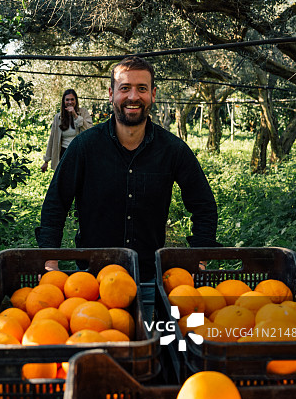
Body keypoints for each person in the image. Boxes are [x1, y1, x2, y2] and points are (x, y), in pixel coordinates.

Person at [36, 55, 219, 280]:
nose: (133, 96)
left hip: (149, 277)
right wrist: (50, 261)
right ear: (111, 94)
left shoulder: (172, 150)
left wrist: (199, 261)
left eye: (142, 88)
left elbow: (204, 206)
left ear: (153, 94)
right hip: (91, 281)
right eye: (125, 88)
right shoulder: (84, 147)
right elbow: (56, 203)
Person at [41, 88, 93, 173]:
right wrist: (46, 161)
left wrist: (75, 115)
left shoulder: (83, 112)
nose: (70, 102)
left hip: (79, 153)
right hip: (64, 153)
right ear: (63, 101)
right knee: (65, 178)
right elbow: (52, 139)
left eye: (72, 99)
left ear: (76, 100)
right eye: (67, 100)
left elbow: (89, 131)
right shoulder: (58, 117)